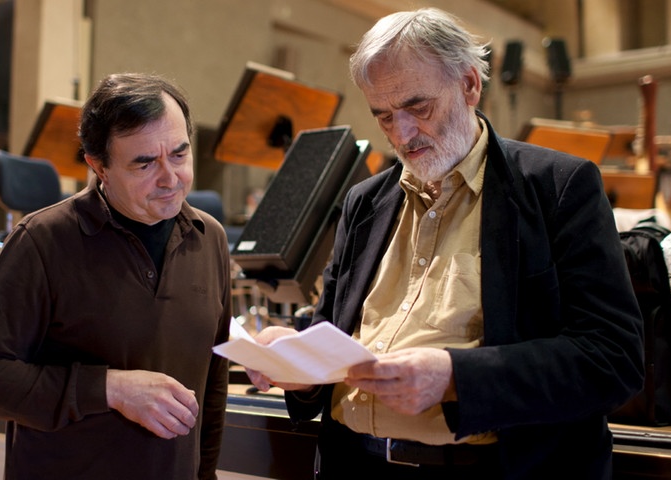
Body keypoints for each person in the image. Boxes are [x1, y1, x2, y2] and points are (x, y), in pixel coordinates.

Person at [247, 8, 644, 479]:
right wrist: (296, 359)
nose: (402, 134)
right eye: (383, 117)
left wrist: (455, 377)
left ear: (470, 84)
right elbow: (331, 332)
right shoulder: (365, 201)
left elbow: (612, 357)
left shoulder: (557, 187)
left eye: (418, 108)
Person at [0, 73, 232, 480]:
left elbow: (213, 383)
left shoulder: (210, 238)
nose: (170, 178)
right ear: (99, 166)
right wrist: (110, 389)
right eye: (145, 163)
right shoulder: (42, 240)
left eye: (179, 155)